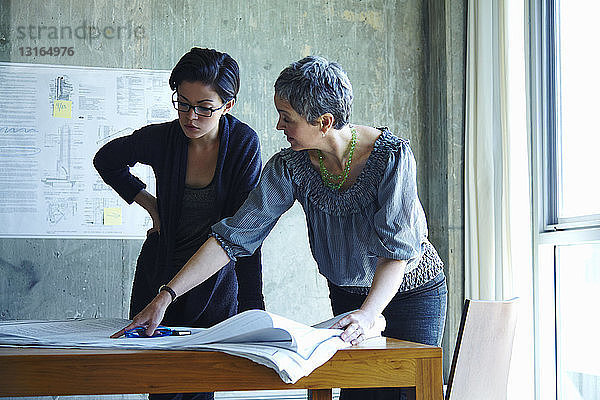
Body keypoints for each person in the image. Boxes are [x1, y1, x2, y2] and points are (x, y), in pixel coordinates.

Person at [113, 56, 447, 400]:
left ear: (324, 121)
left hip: (411, 292)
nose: (278, 126)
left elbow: (397, 251)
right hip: (349, 294)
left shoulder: (391, 157)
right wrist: (167, 295)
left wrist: (368, 315)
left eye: (287, 118)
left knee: (408, 392)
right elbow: (233, 236)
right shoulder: (289, 166)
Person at [94, 47, 264, 400]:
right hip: (159, 277)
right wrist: (151, 206)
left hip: (213, 283)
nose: (191, 117)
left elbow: (245, 233)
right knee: (161, 386)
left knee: (201, 386)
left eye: (204, 108)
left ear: (227, 105)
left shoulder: (243, 144)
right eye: (183, 103)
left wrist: (253, 310)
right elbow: (107, 159)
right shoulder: (163, 138)